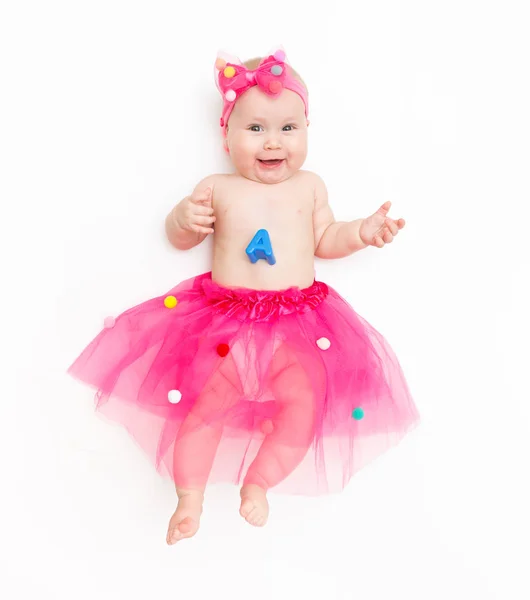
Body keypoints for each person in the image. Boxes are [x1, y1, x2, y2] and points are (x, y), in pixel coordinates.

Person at [68, 47, 420, 546]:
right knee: (206, 408)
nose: (272, 141)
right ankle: (189, 498)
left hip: (300, 322)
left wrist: (362, 231)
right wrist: (182, 219)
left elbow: (325, 240)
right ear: (226, 135)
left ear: (306, 130)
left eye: (287, 129)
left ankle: (260, 482)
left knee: (305, 405)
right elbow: (181, 238)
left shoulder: (310, 187)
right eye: (255, 129)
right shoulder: (216, 187)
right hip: (224, 323)